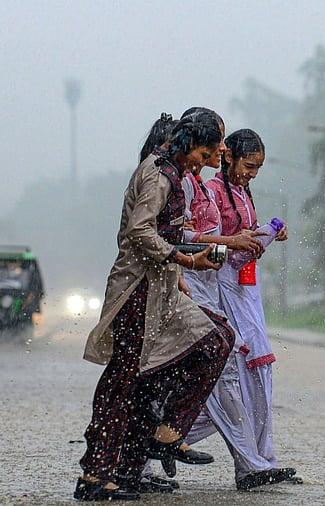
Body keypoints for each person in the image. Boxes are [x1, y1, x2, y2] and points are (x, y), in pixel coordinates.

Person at [75, 109, 234, 502]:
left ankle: (161, 440)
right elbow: (139, 230)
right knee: (123, 383)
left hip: (161, 290)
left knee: (214, 341)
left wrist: (185, 263)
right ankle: (97, 475)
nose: (207, 161)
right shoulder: (159, 173)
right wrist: (184, 260)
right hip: (137, 294)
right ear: (189, 144)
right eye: (206, 152)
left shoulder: (175, 173)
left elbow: (167, 231)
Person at [180, 128, 297, 490]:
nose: (252, 174)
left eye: (258, 168)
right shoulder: (207, 191)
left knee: (255, 380)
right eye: (249, 165)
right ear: (225, 155)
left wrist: (265, 234)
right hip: (220, 290)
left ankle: (261, 460)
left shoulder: (240, 192)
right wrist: (235, 244)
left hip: (247, 291)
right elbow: (201, 246)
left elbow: (235, 242)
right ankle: (158, 442)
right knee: (232, 381)